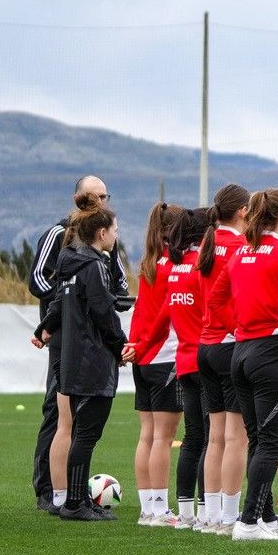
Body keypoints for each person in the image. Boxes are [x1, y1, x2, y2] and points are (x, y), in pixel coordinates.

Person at [213, 190, 278, 539]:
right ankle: (248, 521)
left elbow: (215, 300)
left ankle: (266, 516)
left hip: (241, 352)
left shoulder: (241, 252)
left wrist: (238, 327)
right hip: (271, 353)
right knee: (271, 441)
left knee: (258, 439)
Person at [29, 175, 123, 509]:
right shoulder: (59, 234)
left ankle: (68, 495)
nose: (100, 200)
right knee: (61, 417)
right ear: (78, 198)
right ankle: (51, 492)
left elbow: (118, 287)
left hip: (82, 337)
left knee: (74, 421)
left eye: (104, 195)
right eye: (94, 196)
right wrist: (71, 303)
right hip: (72, 339)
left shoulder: (104, 249)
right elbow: (39, 280)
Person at [191, 183, 250, 534]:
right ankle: (228, 517)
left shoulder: (207, 245)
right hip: (229, 345)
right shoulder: (239, 247)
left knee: (215, 438)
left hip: (206, 346)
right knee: (236, 438)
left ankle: (210, 515)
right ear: (242, 212)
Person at [126, 202, 186, 526]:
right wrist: (144, 345)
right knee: (164, 436)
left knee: (147, 435)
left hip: (145, 358)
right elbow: (165, 315)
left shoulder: (149, 262)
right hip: (164, 357)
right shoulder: (172, 266)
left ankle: (148, 508)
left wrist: (133, 346)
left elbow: (140, 311)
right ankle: (160, 509)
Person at [162, 207, 212, 528]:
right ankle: (209, 511)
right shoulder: (199, 269)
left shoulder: (175, 268)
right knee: (212, 438)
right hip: (206, 360)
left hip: (183, 360)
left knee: (192, 438)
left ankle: (186, 513)